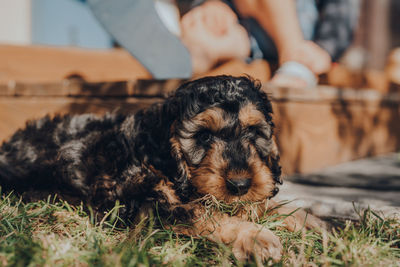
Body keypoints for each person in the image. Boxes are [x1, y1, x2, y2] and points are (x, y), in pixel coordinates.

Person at [177, 0, 359, 88]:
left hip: (292, 30)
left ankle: (297, 58)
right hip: (242, 28)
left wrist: (326, 48)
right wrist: (211, 4)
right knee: (197, 31)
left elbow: (342, 7)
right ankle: (179, 71)